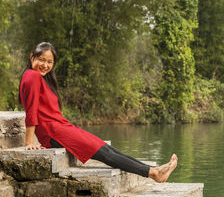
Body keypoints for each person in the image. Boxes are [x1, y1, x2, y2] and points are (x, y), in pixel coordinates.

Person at [19, 42, 177, 183]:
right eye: (41, 59)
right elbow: (31, 109)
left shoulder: (41, 79)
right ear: (32, 57)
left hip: (61, 127)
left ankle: (153, 170)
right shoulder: (32, 76)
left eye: (49, 62)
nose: (45, 65)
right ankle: (152, 173)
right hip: (53, 131)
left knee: (104, 148)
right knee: (103, 152)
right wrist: (29, 142)